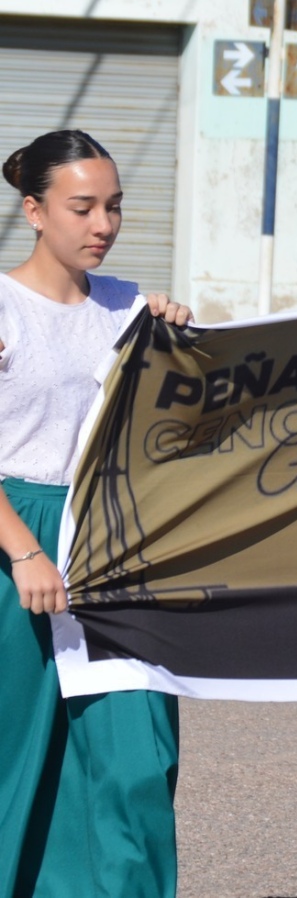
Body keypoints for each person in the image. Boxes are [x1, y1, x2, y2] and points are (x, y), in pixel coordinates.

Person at [0, 129, 193, 898]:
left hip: (114, 542)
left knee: (135, 755)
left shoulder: (133, 308)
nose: (103, 224)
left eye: (114, 206)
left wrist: (178, 342)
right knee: (18, 753)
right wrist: (22, 550)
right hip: (17, 536)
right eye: (82, 207)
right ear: (34, 211)